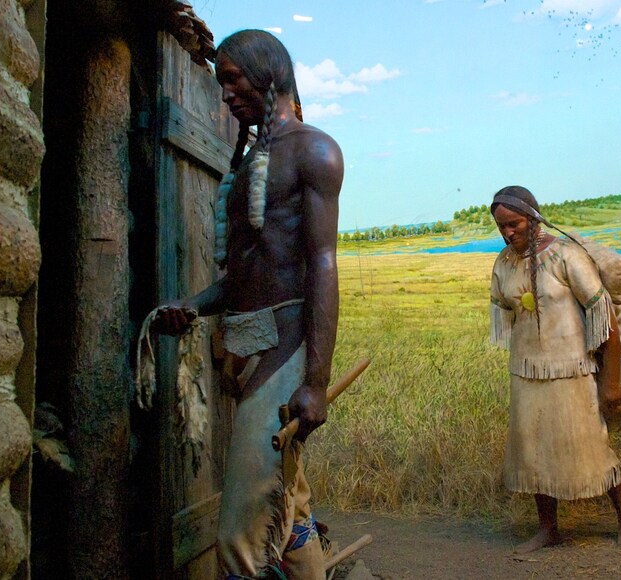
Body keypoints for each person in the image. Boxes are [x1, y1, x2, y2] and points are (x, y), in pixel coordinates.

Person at [151, 30, 343, 579]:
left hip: (285, 346)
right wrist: (193, 306)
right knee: (287, 501)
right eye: (221, 83)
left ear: (269, 75)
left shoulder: (314, 150)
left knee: (238, 533)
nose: (226, 94)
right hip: (246, 340)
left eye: (233, 79)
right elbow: (244, 276)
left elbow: (322, 265)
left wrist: (316, 380)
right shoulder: (250, 162)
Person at [488, 185, 621, 553]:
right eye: (501, 227)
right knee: (533, 449)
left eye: (515, 223)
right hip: (526, 372)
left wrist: (610, 383)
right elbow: (506, 314)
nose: (509, 232)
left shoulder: (565, 256)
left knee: (590, 444)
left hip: (573, 371)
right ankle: (548, 529)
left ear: (534, 218)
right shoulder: (503, 263)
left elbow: (605, 319)